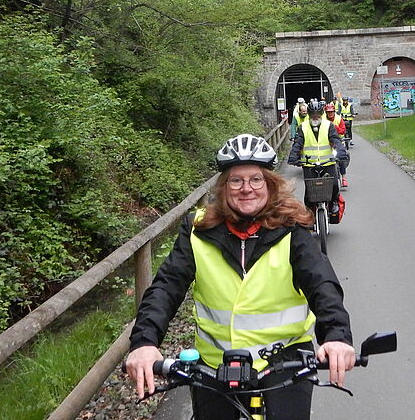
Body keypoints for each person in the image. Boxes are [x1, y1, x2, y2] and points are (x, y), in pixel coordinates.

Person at [125, 134, 356, 420]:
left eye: (256, 179)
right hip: (214, 364)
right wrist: (144, 342)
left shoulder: (292, 228)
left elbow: (321, 282)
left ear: (269, 184)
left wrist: (336, 335)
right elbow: (166, 286)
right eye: (236, 180)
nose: (247, 189)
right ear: (224, 187)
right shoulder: (198, 230)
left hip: (285, 361)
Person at [288, 100, 348, 217]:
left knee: (334, 185)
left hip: (327, 162)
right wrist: (293, 157)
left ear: (321, 114)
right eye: (313, 115)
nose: (315, 117)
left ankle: (333, 203)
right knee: (309, 191)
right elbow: (298, 143)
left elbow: (335, 140)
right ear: (309, 115)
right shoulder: (303, 127)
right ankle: (309, 213)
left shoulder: (328, 125)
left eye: (318, 115)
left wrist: (341, 152)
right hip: (309, 164)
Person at [324, 102, 350, 187]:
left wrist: (335, 127)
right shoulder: (323, 119)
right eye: (328, 112)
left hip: (338, 142)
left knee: (341, 159)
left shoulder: (339, 119)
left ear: (334, 111)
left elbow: (343, 131)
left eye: (331, 112)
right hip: (327, 143)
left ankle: (344, 178)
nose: (330, 114)